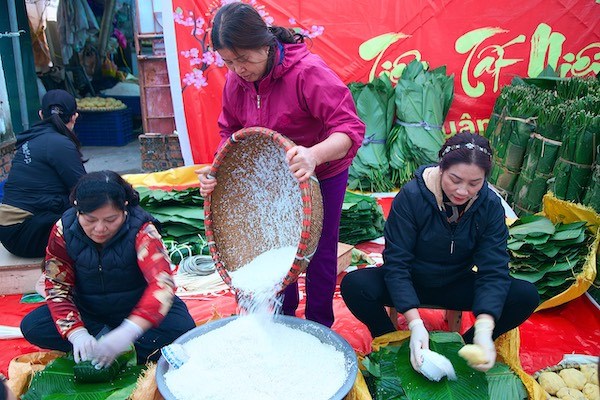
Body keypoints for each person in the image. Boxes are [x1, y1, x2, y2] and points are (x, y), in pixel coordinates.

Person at [197, 2, 365, 328]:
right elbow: (230, 133)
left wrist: (313, 155)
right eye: (229, 62)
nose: (238, 69)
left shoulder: (307, 73)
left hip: (319, 172)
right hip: (270, 176)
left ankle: (318, 324)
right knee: (276, 245)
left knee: (318, 249)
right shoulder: (236, 82)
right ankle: (283, 321)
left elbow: (349, 129)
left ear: (265, 43)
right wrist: (217, 172)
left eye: (244, 59)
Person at [340, 132, 540, 373]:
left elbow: (493, 269)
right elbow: (397, 263)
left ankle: (466, 347)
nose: (462, 191)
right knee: (354, 284)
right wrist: (414, 324)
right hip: (411, 280)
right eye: (455, 179)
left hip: (457, 282)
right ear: (441, 168)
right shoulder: (412, 197)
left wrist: (485, 329)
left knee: (525, 295)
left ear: (485, 179)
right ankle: (392, 342)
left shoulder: (489, 206)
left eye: (474, 183)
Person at [20, 171, 195, 368]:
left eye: (111, 219)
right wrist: (76, 332)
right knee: (33, 326)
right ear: (77, 210)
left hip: (136, 311)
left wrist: (129, 330)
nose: (100, 228)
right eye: (90, 220)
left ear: (125, 208)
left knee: (183, 330)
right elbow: (57, 285)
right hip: (90, 313)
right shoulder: (63, 230)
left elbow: (162, 284)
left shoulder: (143, 230)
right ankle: (106, 346)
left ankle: (112, 347)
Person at [0, 89, 86, 258]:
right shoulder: (60, 143)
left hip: (10, 231)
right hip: (24, 234)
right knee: (98, 219)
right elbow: (85, 190)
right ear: (74, 116)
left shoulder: (31, 138)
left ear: (41, 114)